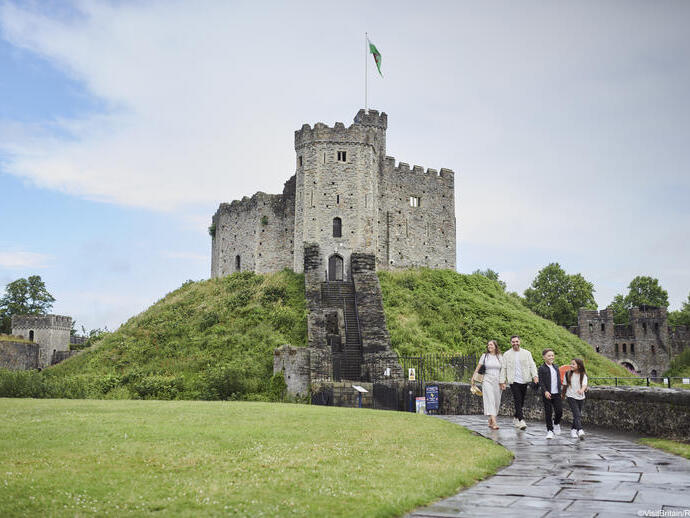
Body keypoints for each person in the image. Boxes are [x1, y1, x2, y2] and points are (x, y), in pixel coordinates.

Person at [499, 335, 538, 430]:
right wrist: (502, 381)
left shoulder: (527, 353)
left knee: (521, 401)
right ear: (511, 343)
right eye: (513, 342)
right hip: (513, 381)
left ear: (519, 342)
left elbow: (532, 365)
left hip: (524, 380)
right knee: (517, 400)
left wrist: (535, 376)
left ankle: (516, 417)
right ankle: (521, 420)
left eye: (517, 341)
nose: (515, 343)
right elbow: (503, 368)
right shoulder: (507, 354)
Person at [471, 340, 503, 429]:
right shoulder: (484, 356)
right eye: (488, 345)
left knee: (497, 401)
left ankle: (491, 419)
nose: (489, 346)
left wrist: (503, 381)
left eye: (491, 345)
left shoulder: (500, 357)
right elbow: (478, 367)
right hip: (487, 380)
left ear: (495, 346)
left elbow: (503, 370)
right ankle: (495, 423)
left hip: (497, 381)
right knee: (490, 400)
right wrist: (473, 378)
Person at [538, 348, 563, 439]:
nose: (551, 357)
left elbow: (559, 380)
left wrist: (561, 391)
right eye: (549, 356)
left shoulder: (556, 367)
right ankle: (550, 430)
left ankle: (556, 423)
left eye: (552, 355)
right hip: (547, 394)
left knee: (559, 411)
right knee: (548, 412)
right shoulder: (541, 368)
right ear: (544, 357)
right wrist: (545, 391)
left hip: (556, 393)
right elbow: (541, 381)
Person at [563, 358, 588, 440]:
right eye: (571, 363)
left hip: (581, 397)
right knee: (576, 413)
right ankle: (580, 430)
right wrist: (563, 394)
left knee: (577, 414)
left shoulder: (583, 375)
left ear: (579, 366)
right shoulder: (568, 374)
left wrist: (581, 390)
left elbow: (584, 385)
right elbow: (564, 385)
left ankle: (573, 430)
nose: (571, 365)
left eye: (573, 364)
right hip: (570, 396)